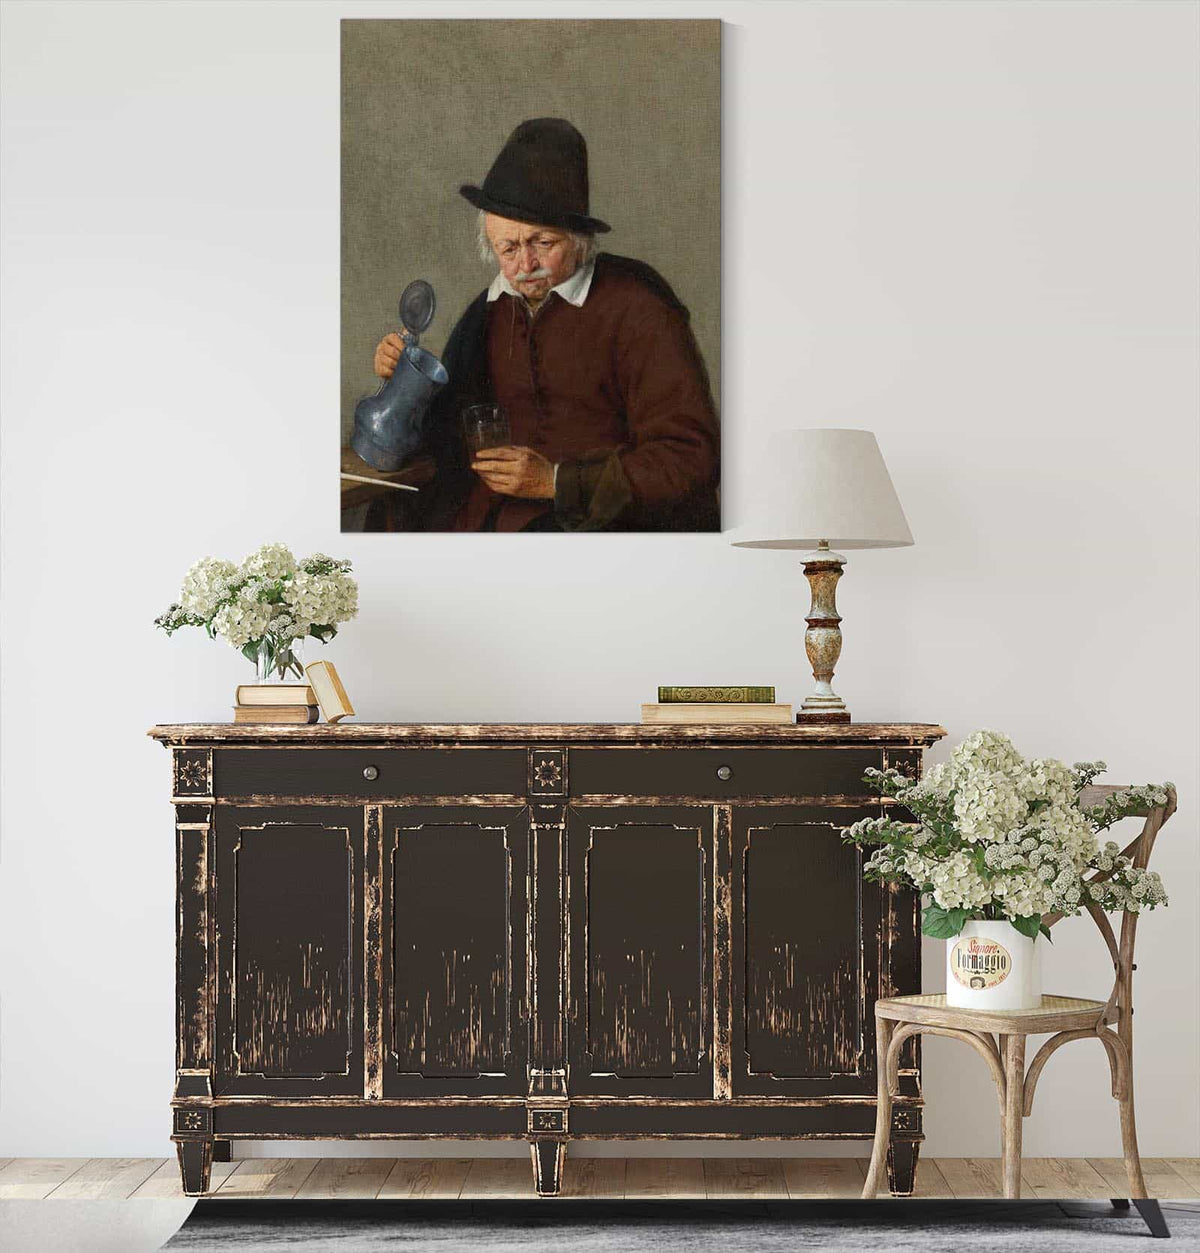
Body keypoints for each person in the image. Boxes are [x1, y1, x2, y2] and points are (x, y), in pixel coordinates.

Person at [370, 118, 720, 532]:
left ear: (579, 241)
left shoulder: (639, 308)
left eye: (543, 243)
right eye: (508, 247)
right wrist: (402, 379)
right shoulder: (489, 311)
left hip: (604, 527)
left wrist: (556, 481)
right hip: (490, 518)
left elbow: (689, 458)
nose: (525, 265)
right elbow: (444, 434)